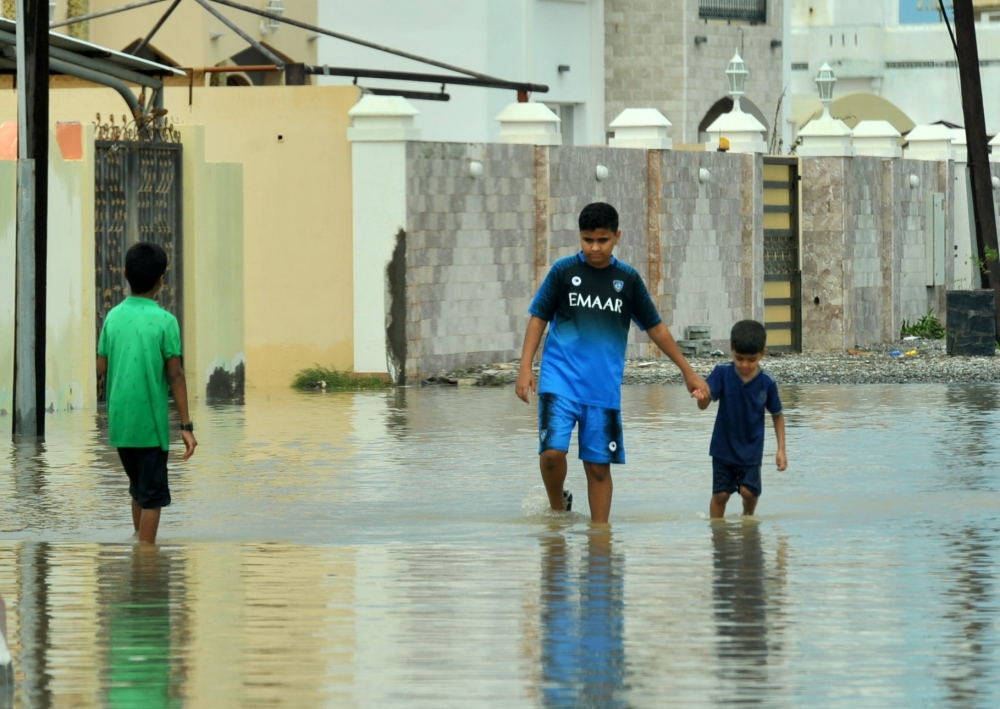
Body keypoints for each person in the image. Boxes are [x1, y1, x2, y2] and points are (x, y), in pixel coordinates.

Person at [516, 202, 709, 523]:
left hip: (602, 388)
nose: (594, 247)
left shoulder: (628, 280)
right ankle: (558, 508)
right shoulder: (563, 272)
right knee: (551, 454)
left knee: (597, 467)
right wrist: (525, 368)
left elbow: (656, 328)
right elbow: (538, 318)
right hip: (558, 379)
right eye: (588, 239)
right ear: (579, 237)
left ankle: (600, 538)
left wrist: (687, 372)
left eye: (602, 240)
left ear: (617, 236)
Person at [97, 242, 197, 545]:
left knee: (137, 488)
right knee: (152, 497)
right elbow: (175, 375)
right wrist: (186, 426)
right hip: (151, 426)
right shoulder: (166, 321)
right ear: (162, 280)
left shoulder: (112, 317)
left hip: (121, 423)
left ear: (125, 273)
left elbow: (102, 365)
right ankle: (146, 558)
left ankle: (138, 543)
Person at [695, 320, 786, 518]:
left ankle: (748, 520)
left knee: (749, 491)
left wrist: (781, 450)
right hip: (723, 448)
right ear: (731, 350)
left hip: (751, 450)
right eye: (739, 358)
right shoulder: (722, 373)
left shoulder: (767, 383)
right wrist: (702, 398)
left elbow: (777, 415)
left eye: (751, 360)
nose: (745, 364)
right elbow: (704, 404)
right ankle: (717, 532)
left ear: (762, 353)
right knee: (721, 494)